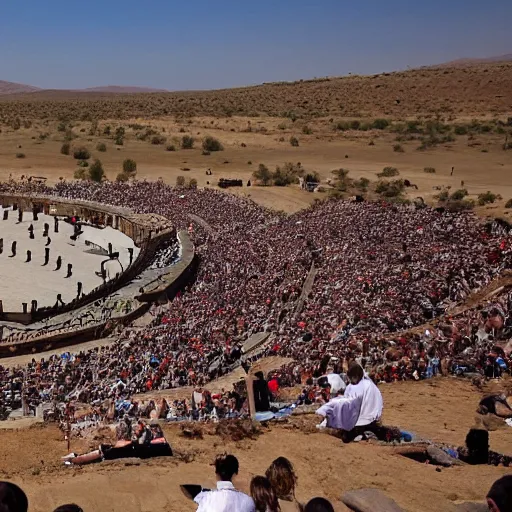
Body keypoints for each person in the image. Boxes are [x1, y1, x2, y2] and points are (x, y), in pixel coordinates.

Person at [342, 362, 383, 442]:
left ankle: (362, 434)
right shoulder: (369, 383)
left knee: (346, 437)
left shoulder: (353, 388)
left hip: (359, 423)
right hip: (373, 421)